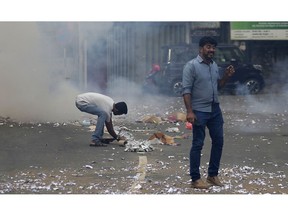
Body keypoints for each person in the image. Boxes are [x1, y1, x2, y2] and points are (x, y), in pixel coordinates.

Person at [182, 36, 235, 189]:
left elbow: (219, 86)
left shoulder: (214, 65)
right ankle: (195, 179)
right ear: (201, 48)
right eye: (208, 46)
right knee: (198, 144)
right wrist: (189, 111)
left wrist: (226, 76)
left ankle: (212, 175)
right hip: (199, 111)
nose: (211, 50)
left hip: (215, 110)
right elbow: (186, 91)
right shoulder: (191, 66)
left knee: (219, 141)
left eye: (213, 47)